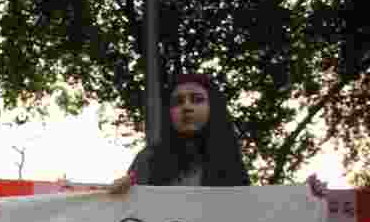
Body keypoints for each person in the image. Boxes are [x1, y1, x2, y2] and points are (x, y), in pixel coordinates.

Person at [108, 73, 326, 197]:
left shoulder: (228, 161)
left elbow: (255, 219)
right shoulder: (148, 160)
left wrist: (303, 198)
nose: (186, 107)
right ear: (169, 113)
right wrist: (118, 195)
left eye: (197, 99)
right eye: (178, 102)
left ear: (213, 108)